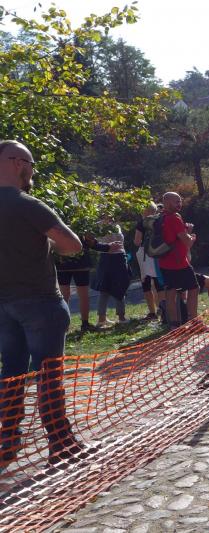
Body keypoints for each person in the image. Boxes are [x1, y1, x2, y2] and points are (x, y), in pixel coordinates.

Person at [0, 140, 88, 469]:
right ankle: (61, 443)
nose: (31, 171)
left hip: (3, 304)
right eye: (30, 164)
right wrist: (48, 245)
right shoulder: (27, 204)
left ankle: (8, 439)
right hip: (40, 301)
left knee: (11, 371)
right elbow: (72, 244)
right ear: (16, 163)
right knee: (48, 374)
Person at [56, 234, 121, 331]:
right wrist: (107, 247)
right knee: (82, 296)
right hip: (79, 264)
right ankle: (84, 324)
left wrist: (107, 247)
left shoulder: (59, 226)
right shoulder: (82, 227)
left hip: (63, 263)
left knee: (65, 296)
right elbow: (92, 243)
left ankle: (64, 326)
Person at [158, 192, 200, 328]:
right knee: (194, 288)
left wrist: (185, 231)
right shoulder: (174, 218)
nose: (179, 204)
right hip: (179, 263)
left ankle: (174, 325)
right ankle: (194, 321)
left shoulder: (161, 217)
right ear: (167, 202)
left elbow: (172, 236)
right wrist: (191, 236)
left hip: (164, 262)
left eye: (180, 201)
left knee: (171, 293)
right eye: (176, 201)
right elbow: (187, 242)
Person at [92, 219, 129, 327]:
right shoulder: (101, 226)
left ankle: (104, 318)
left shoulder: (112, 224)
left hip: (113, 258)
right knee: (116, 287)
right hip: (113, 258)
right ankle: (119, 318)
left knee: (108, 289)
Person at [133, 202, 165, 319]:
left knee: (146, 282)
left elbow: (137, 241)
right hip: (159, 252)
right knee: (159, 283)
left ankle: (152, 312)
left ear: (143, 211)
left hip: (146, 255)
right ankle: (164, 310)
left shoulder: (142, 223)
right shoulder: (161, 219)